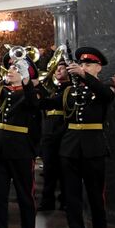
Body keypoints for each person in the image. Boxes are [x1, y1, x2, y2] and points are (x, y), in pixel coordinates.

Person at [41, 46, 115, 228]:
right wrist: (30, 85)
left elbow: (107, 97)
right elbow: (47, 103)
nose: (83, 67)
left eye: (88, 64)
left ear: (98, 68)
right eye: (81, 64)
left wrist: (84, 76)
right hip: (70, 147)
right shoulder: (70, 91)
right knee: (72, 196)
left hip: (93, 147)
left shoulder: (105, 86)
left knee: (95, 195)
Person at [0, 60, 40, 228]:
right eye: (11, 67)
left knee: (25, 195)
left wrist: (26, 82)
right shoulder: (3, 91)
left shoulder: (31, 92)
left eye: (16, 68)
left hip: (21, 150)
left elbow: (34, 104)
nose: (10, 70)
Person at [37, 61, 69, 211]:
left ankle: (65, 199)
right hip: (49, 129)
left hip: (62, 129)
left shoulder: (69, 89)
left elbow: (50, 103)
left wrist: (38, 86)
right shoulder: (53, 88)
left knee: (64, 169)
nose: (58, 71)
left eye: (62, 68)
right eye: (57, 69)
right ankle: (47, 200)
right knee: (49, 168)